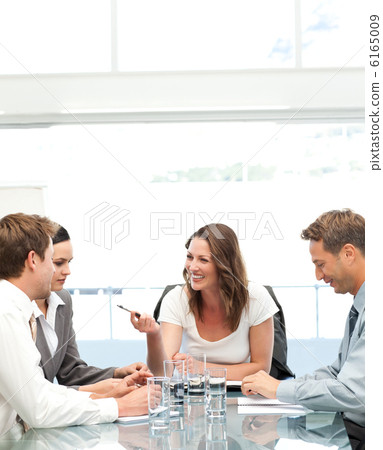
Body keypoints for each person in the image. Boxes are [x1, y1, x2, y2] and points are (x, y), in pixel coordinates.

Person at [0, 213, 149, 435]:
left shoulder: (13, 306)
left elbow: (41, 390)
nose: (57, 270)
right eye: (52, 260)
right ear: (33, 260)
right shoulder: (6, 311)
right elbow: (39, 409)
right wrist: (121, 407)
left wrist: (105, 395)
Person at [241, 209, 365, 430]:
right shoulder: (360, 305)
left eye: (320, 264)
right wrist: (277, 386)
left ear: (348, 253)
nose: (318, 275)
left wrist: (278, 391)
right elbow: (337, 372)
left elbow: (352, 393)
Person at [130, 223, 279, 380]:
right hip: (194, 395)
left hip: (243, 395)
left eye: (203, 260)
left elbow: (261, 369)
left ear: (225, 265)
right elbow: (162, 373)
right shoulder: (176, 299)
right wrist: (154, 334)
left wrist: (200, 367)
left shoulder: (256, 298)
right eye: (189, 257)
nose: (192, 267)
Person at [34, 225, 149, 393]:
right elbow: (33, 391)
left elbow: (70, 371)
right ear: (33, 261)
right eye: (58, 263)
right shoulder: (14, 308)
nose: (67, 271)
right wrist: (96, 393)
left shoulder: (62, 300)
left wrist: (118, 373)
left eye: (69, 262)